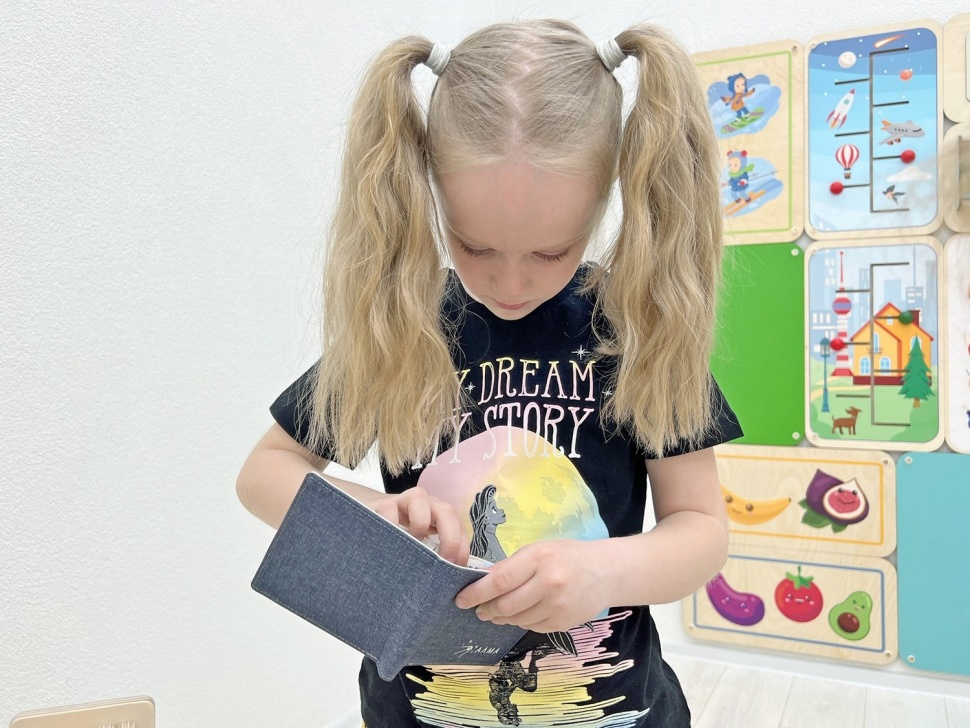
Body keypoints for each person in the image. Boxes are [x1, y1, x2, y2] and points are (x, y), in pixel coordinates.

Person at [237, 18, 743, 728]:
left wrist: (603, 572)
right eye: (474, 246)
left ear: (605, 198)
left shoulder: (639, 334)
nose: (509, 284)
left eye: (550, 251)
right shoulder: (401, 328)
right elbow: (263, 473)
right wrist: (377, 515)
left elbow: (702, 530)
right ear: (432, 192)